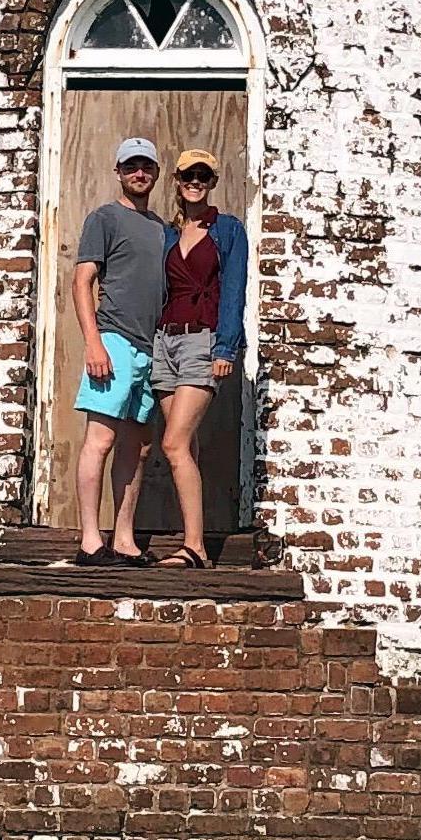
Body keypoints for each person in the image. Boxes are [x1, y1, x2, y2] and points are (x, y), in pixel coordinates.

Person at [70, 137, 172, 562]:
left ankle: (125, 540)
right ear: (118, 171)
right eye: (131, 166)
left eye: (146, 166)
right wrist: (93, 343)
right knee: (102, 438)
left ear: (156, 173)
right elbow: (82, 281)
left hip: (152, 350)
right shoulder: (104, 218)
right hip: (113, 339)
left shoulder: (162, 228)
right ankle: (90, 541)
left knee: (139, 447)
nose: (139, 174)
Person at [144, 149, 247, 570]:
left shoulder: (228, 230)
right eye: (189, 174)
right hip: (164, 342)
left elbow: (235, 290)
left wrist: (226, 347)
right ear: (178, 180)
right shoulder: (168, 233)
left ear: (212, 182)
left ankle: (195, 548)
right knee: (186, 444)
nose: (196, 182)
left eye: (204, 175)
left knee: (173, 443)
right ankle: (194, 539)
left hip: (202, 343)